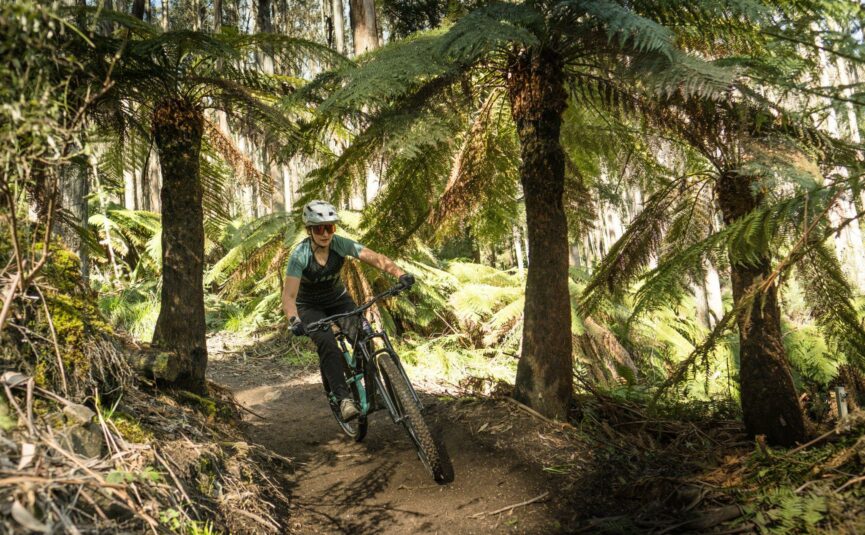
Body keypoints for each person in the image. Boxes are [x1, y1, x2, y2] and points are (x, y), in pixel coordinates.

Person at [281, 200, 415, 421]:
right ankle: (343, 399)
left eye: (330, 228)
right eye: (319, 228)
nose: (325, 234)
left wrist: (400, 274)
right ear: (309, 230)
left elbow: (375, 258)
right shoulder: (300, 255)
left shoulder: (340, 245)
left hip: (338, 300)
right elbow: (289, 296)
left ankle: (374, 395)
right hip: (309, 306)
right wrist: (294, 320)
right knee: (327, 344)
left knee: (365, 336)